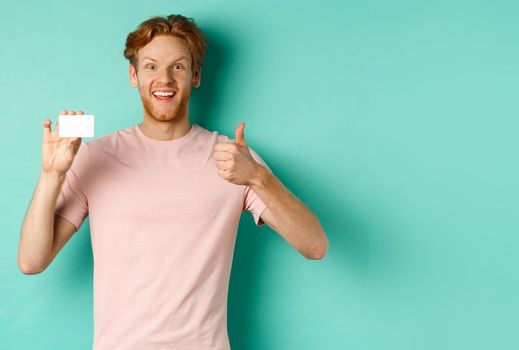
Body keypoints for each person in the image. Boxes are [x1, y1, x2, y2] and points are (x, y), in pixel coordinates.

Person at [17, 14, 328, 349]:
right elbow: (31, 261)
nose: (163, 78)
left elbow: (315, 245)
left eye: (177, 67)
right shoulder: (95, 157)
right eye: (150, 66)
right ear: (133, 75)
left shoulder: (234, 158)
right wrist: (52, 175)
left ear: (195, 75)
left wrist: (257, 177)